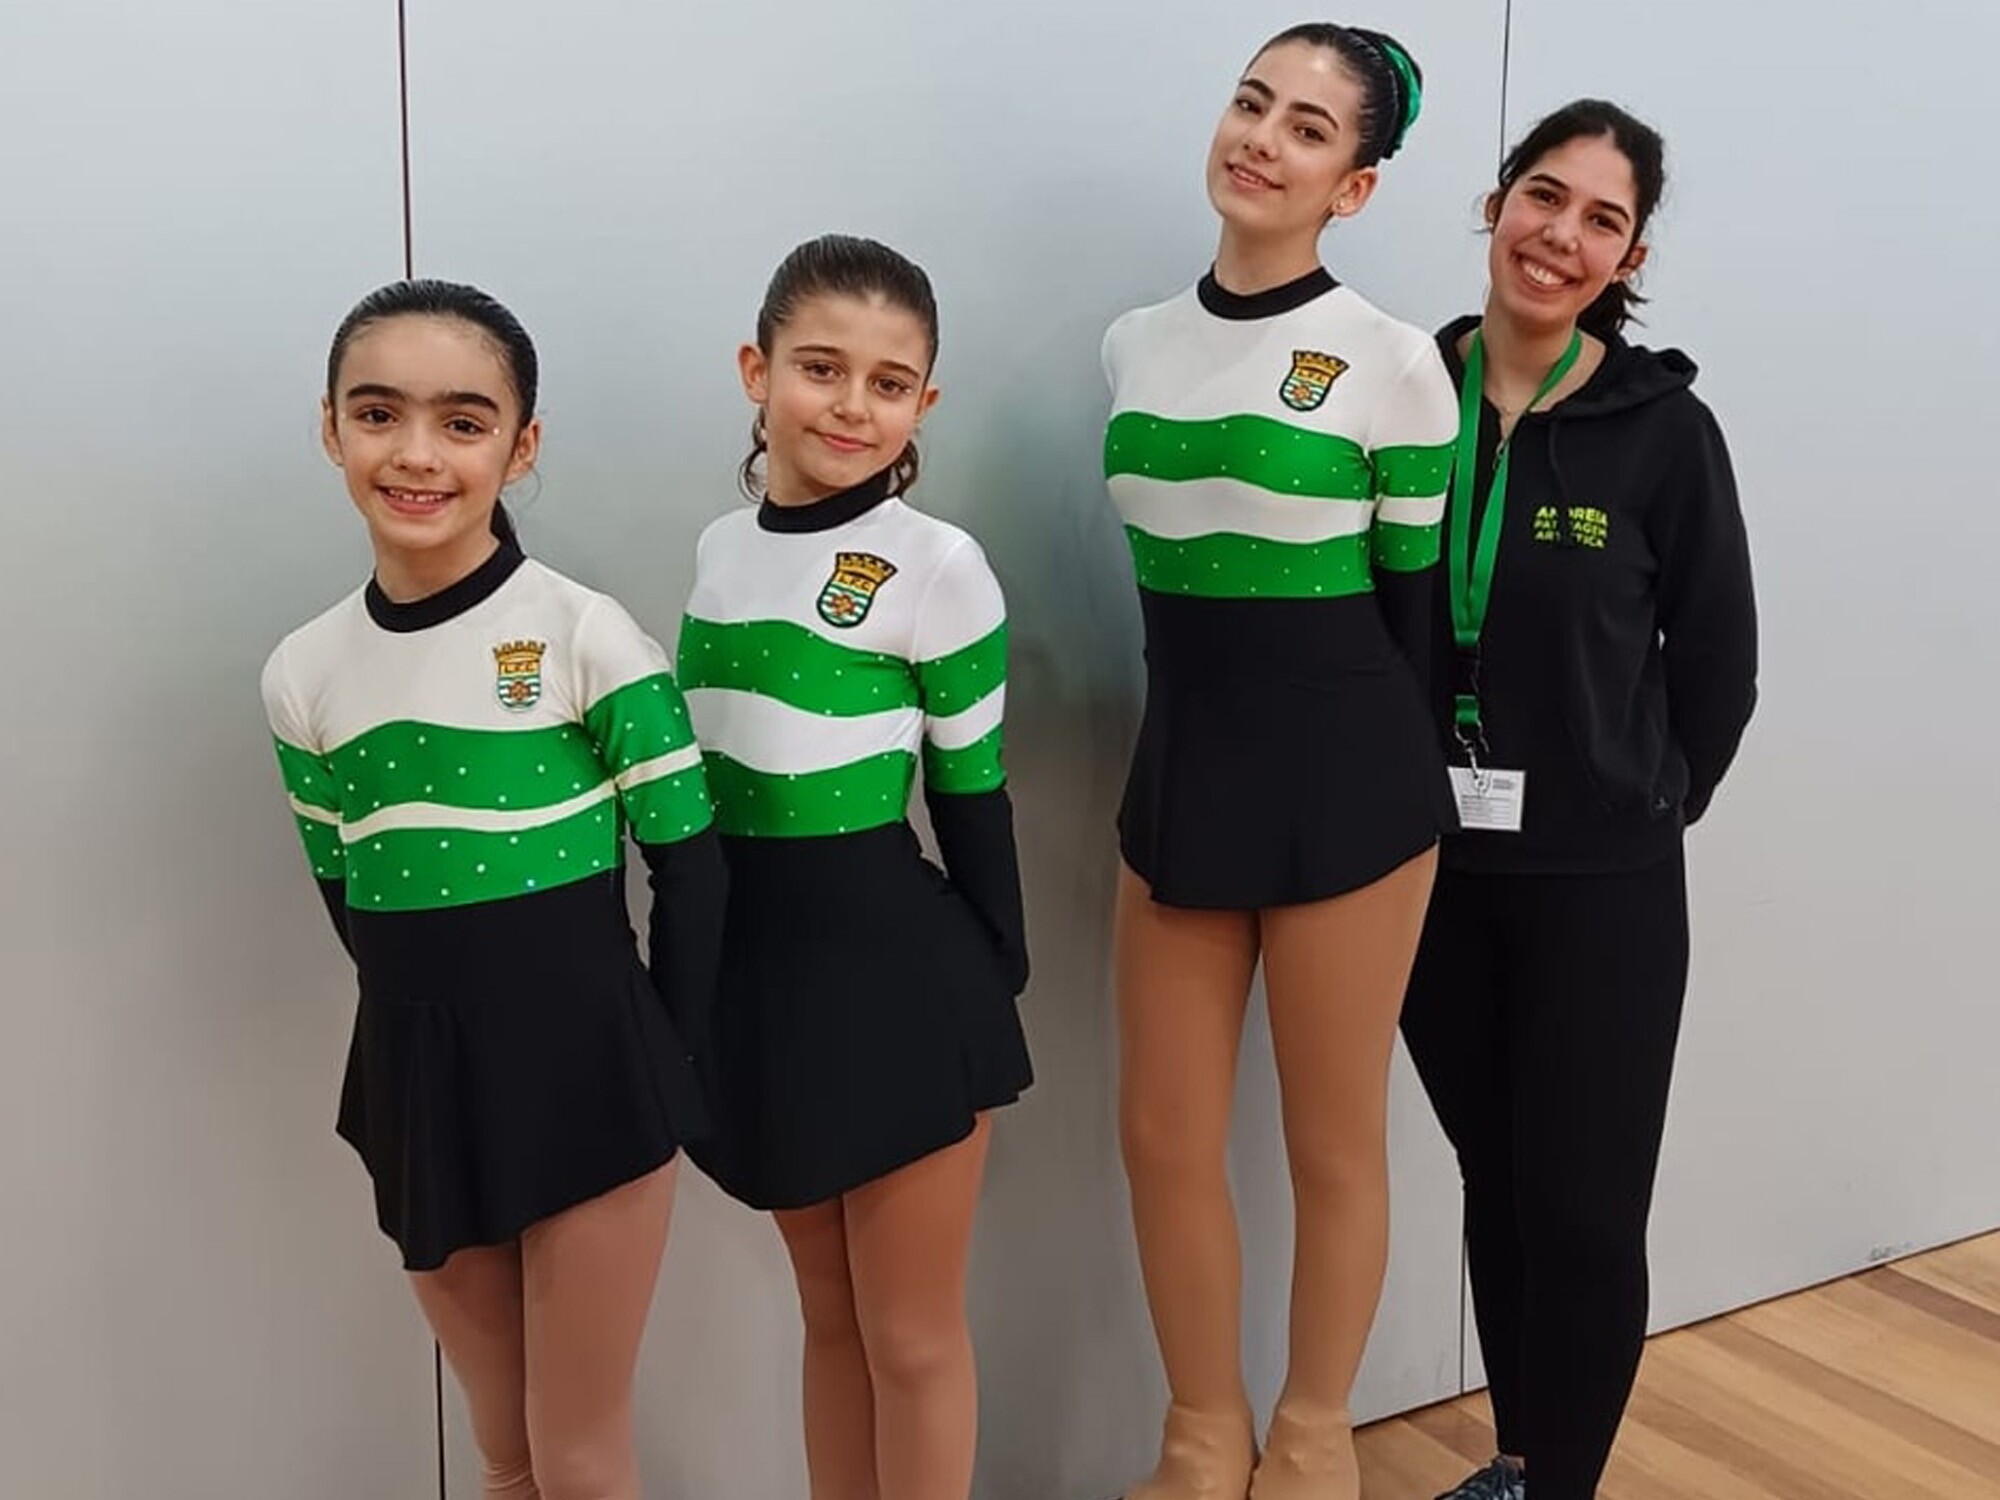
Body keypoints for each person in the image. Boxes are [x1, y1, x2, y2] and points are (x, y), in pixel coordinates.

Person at [261, 278, 725, 1500]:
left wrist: (665, 1058)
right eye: (378, 414)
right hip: (418, 1078)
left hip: (590, 1070)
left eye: (462, 422)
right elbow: (343, 888)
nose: (417, 454)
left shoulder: (585, 634)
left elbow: (690, 864)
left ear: (520, 448)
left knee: (577, 1457)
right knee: (508, 1456)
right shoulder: (303, 672)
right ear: (331, 430)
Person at [1100, 24, 1456, 1500]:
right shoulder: (1132, 343)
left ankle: (1314, 1433)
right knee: (1161, 1135)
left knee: (1331, 1141)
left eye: (1309, 128)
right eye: (1252, 103)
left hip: (1347, 786)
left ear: (1352, 187)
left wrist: (1391, 793)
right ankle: (1201, 1429)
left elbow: (1414, 624)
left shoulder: (1394, 365)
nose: (1262, 137)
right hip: (1181, 773)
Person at [1400, 99, 1759, 1500]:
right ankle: (1519, 1461)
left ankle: (1559, 1486)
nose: (1561, 235)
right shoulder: (1398, 391)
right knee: (1495, 1178)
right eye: (1542, 196)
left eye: (1601, 219)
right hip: (1424, 873)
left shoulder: (1663, 433)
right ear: (1494, 204)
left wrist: (1637, 795)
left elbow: (1717, 662)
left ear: (1629, 257)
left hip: (1602, 882)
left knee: (1586, 1209)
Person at [677, 234, 1033, 1500]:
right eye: (820, 368)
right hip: (759, 979)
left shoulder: (939, 566)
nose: (850, 405)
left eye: (888, 383)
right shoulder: (720, 550)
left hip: (895, 980)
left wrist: (994, 969)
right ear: (756, 370)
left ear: (923, 402)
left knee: (911, 1335)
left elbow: (973, 788)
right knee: (830, 1323)